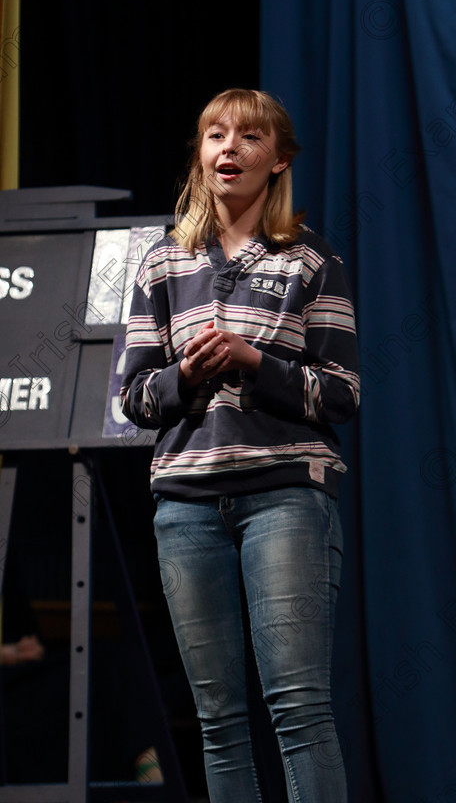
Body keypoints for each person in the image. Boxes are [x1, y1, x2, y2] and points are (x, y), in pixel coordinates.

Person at [121, 88, 360, 803]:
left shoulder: (312, 263)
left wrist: (257, 363)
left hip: (285, 498)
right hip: (186, 507)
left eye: (250, 138)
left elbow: (343, 393)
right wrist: (185, 375)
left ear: (278, 159)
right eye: (216, 135)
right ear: (201, 154)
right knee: (219, 721)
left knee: (298, 709)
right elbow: (133, 398)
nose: (230, 148)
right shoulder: (162, 263)